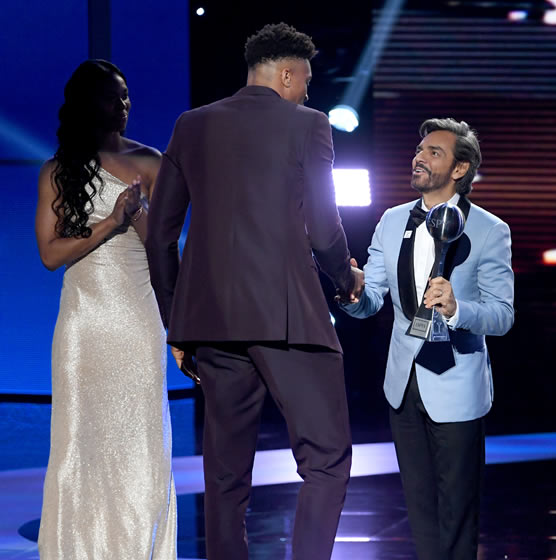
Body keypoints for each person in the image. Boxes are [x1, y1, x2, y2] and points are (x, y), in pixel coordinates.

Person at [145, 22, 362, 560]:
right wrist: (346, 277)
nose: (308, 93)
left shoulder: (191, 125)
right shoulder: (308, 124)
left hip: (212, 322)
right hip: (288, 317)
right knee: (326, 460)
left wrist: (178, 321)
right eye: (306, 82)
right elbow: (323, 225)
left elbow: (160, 234)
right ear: (287, 74)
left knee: (224, 474)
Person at [339, 118, 514, 559]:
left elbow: (503, 315)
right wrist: (352, 291)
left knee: (456, 510)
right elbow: (373, 298)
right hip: (403, 382)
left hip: (457, 382)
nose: (419, 156)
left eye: (434, 152)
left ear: (460, 168)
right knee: (418, 508)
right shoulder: (393, 219)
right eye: (419, 149)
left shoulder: (491, 229)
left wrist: (458, 309)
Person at [34, 59, 176, 558]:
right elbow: (50, 254)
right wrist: (111, 222)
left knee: (140, 443)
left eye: (128, 94)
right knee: (78, 445)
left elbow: (165, 250)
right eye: (115, 96)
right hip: (83, 327)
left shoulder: (152, 162)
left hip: (138, 323)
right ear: (91, 104)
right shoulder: (58, 171)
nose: (125, 104)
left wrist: (136, 218)